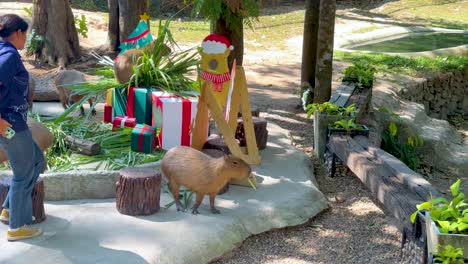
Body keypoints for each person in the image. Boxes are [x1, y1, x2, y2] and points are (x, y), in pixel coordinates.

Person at [0, 14, 44, 241]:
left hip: (13, 125)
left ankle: (9, 208)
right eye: (25, 34)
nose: (26, 39)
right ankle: (18, 227)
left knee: (37, 161)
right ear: (17, 33)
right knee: (23, 173)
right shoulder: (7, 55)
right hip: (10, 126)